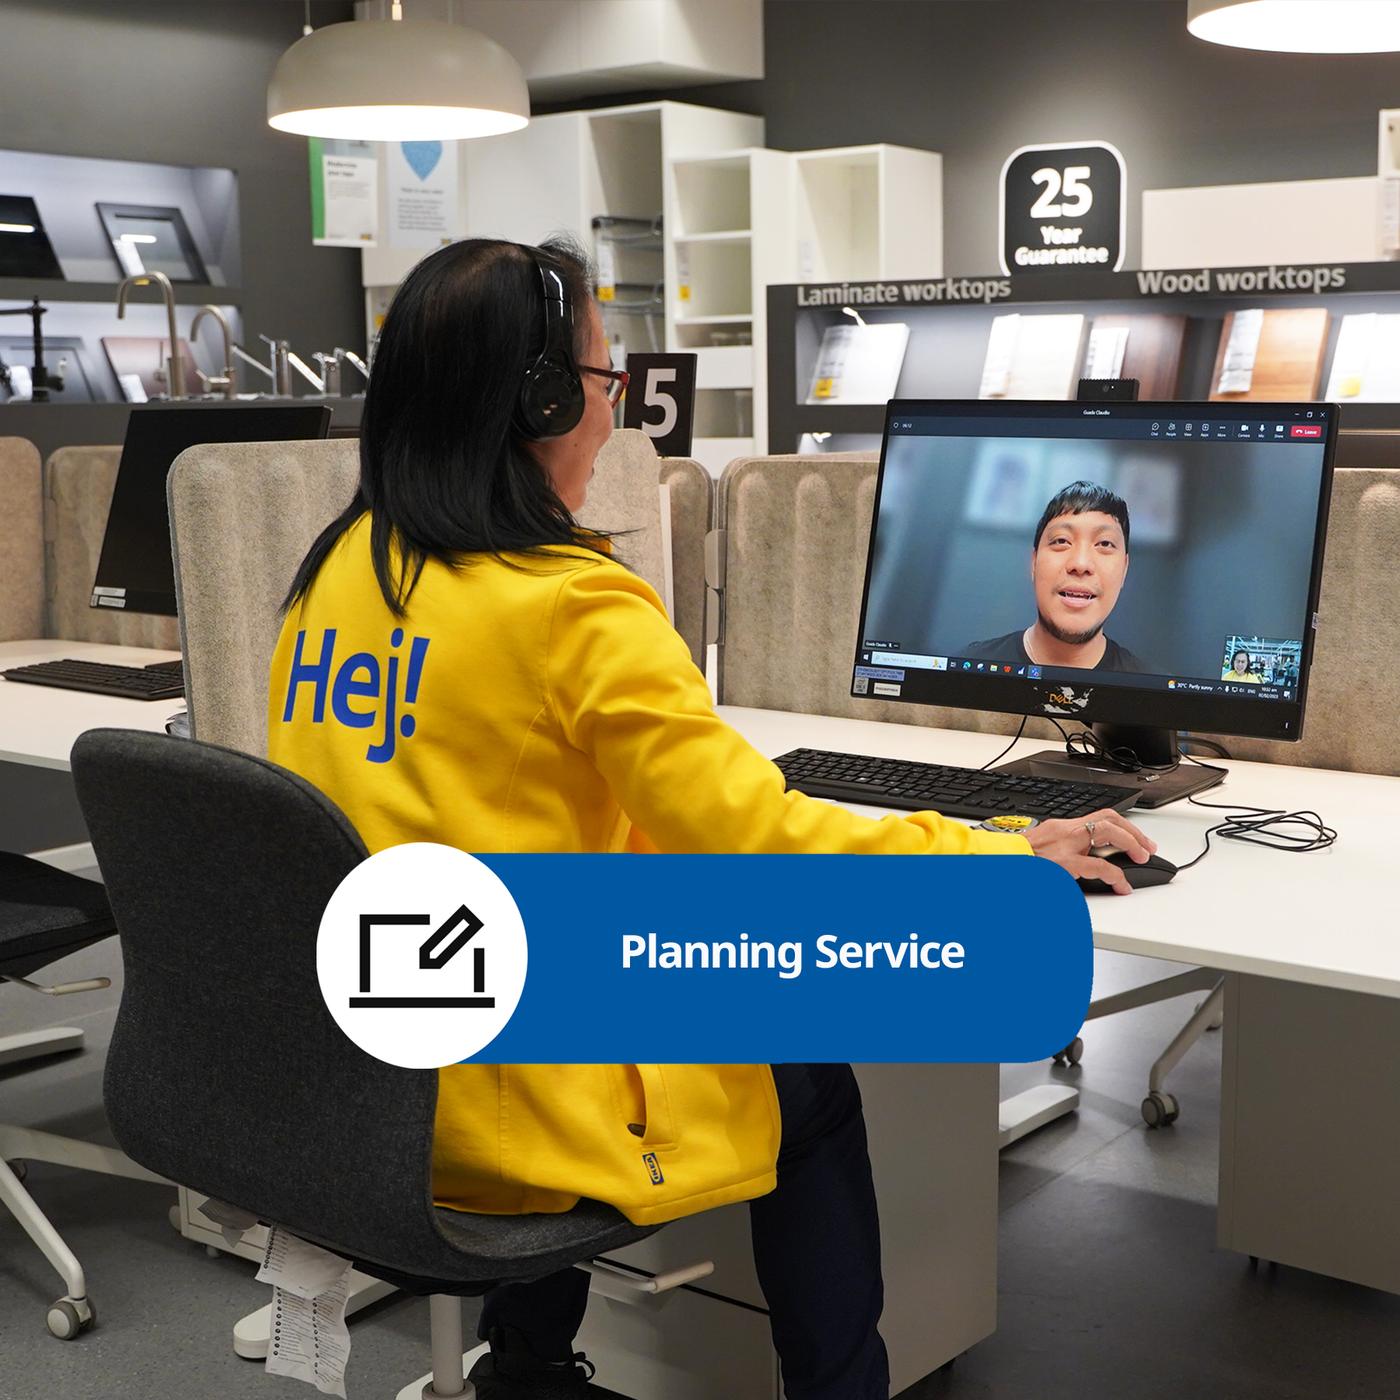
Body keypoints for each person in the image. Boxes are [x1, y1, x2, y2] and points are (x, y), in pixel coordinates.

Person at [266, 238, 1156, 1400]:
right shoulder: (570, 606)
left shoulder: (340, 571)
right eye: (603, 385)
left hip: (371, 1062)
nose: (612, 417)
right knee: (812, 1074)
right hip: (499, 1100)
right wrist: (1001, 851)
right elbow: (763, 840)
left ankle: (527, 1363)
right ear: (538, 403)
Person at [964, 480, 1152, 673]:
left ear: (1124, 570)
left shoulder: (1153, 694)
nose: (1080, 564)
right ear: (1034, 562)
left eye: (1104, 544)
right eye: (1061, 540)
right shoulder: (968, 670)